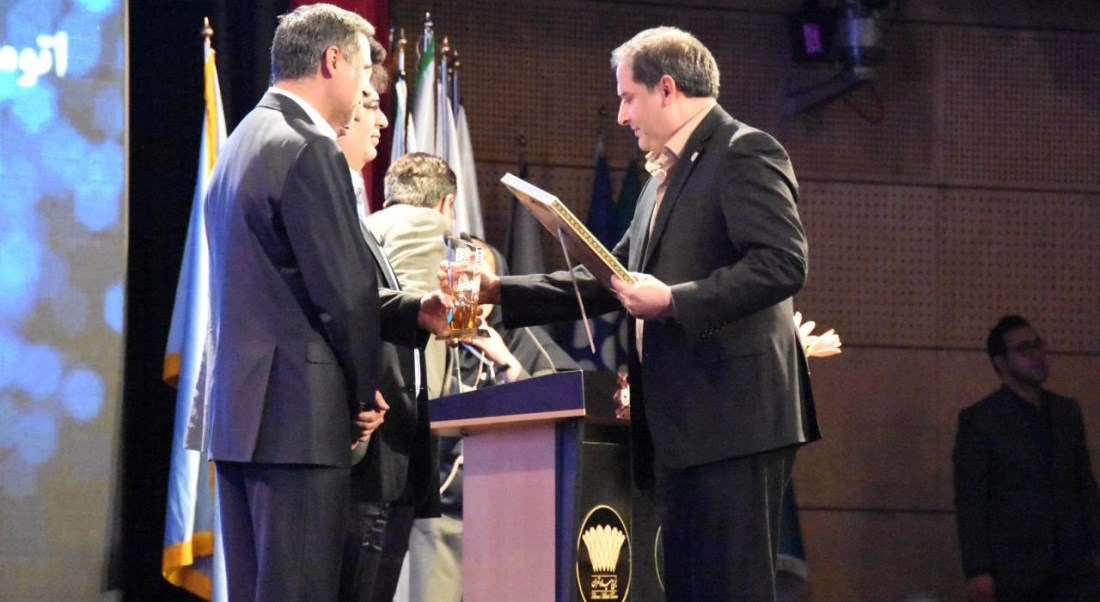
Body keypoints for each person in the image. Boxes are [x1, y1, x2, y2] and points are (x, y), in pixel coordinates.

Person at [467, 26, 819, 600]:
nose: (622, 115)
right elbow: (611, 277)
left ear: (667, 89)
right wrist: (497, 291)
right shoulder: (661, 178)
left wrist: (673, 301)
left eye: (628, 98)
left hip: (734, 422)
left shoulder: (744, 150)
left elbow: (783, 264)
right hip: (681, 424)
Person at [202, 6, 447, 600]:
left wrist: (410, 311)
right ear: (332, 60)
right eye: (361, 70)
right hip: (301, 427)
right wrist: (363, 397)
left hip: (241, 423)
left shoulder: (238, 142)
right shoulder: (309, 146)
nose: (365, 89)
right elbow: (344, 294)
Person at [335, 43, 443, 602]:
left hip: (392, 451)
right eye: (371, 106)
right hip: (367, 450)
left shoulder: (360, 214)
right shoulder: (336, 207)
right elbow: (342, 309)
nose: (382, 121)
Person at [953, 315, 1100, 601]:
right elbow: (971, 499)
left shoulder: (1066, 411)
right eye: (1023, 349)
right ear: (1000, 363)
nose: (1036, 354)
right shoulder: (980, 420)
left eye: (1037, 344)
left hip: (1075, 566)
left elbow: (1085, 485)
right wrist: (978, 570)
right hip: (1016, 569)